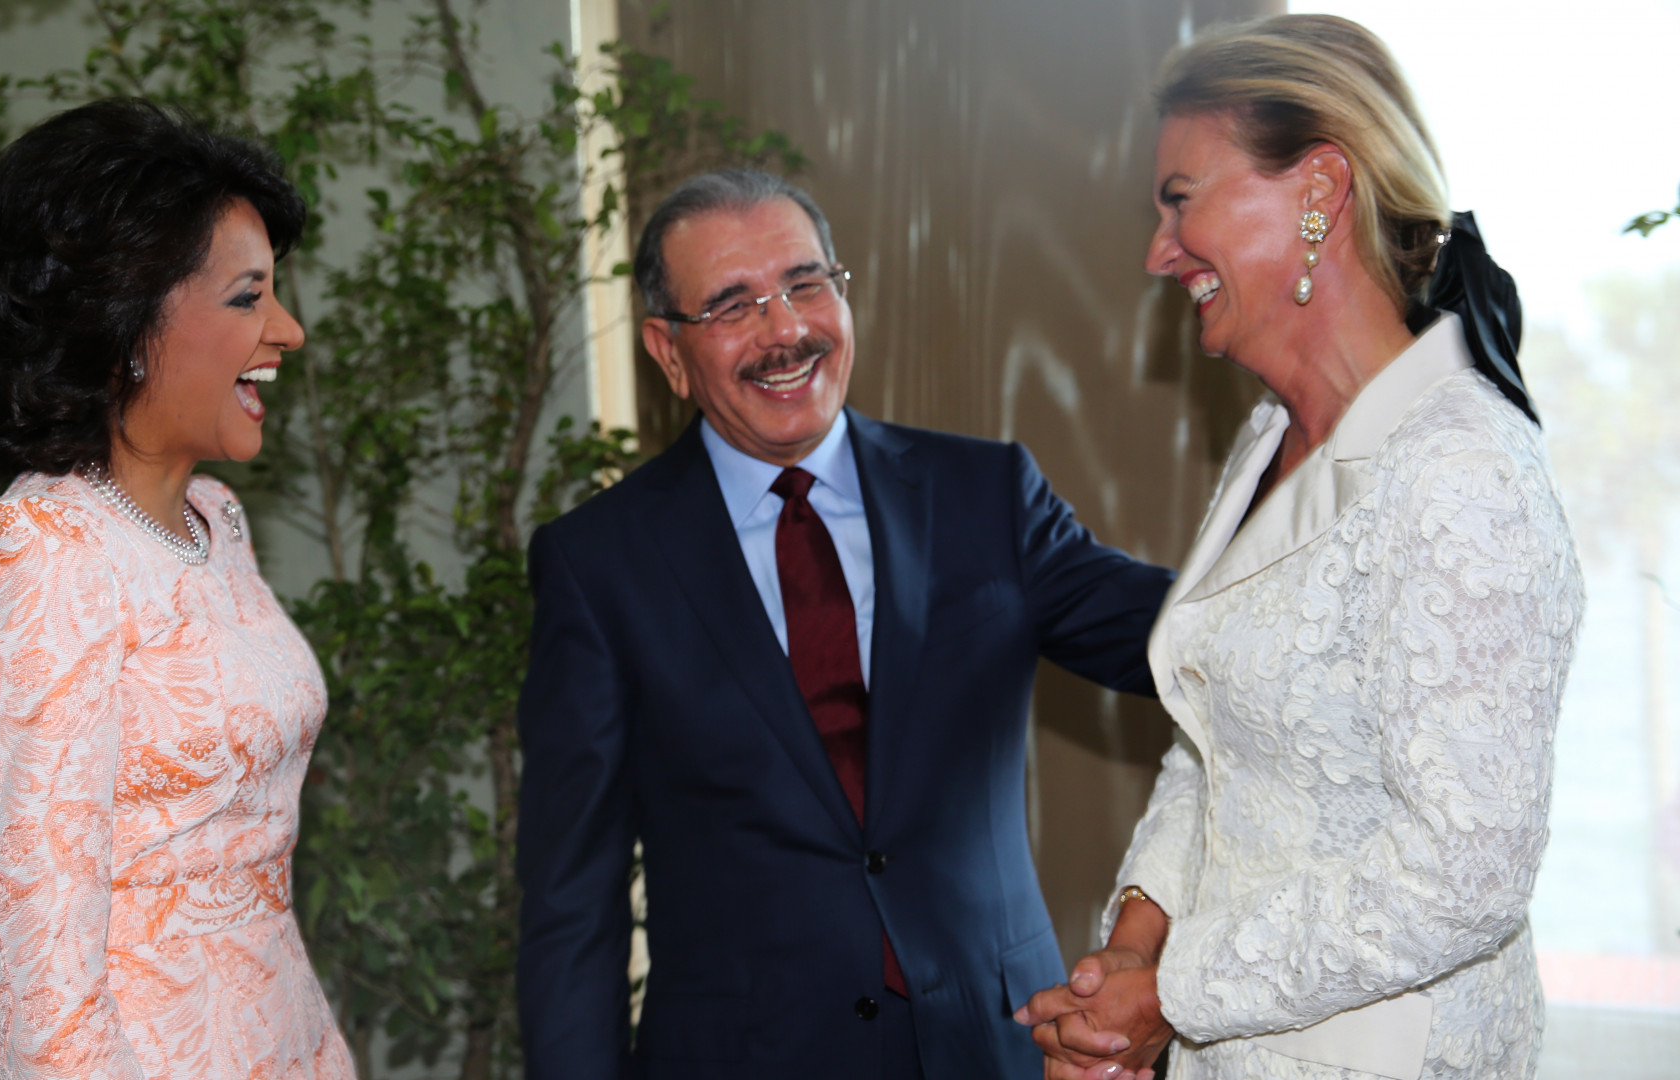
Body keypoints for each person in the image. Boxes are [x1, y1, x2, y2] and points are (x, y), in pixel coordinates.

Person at [1016, 15, 1584, 1080]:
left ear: (1319, 189)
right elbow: (1215, 739)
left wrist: (1173, 996)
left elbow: (1466, 873)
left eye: (1180, 199)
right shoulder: (1271, 437)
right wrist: (1134, 946)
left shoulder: (1462, 469)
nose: (1156, 252)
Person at [514, 168, 1176, 1079]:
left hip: (996, 1048)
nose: (785, 330)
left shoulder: (985, 496)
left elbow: (1187, 641)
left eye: (806, 284)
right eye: (733, 306)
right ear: (668, 352)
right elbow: (571, 900)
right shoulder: (600, 565)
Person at [0, 98, 352, 1079]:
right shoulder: (43, 556)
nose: (288, 330)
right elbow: (35, 992)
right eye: (248, 298)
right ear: (128, 324)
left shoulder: (217, 520)